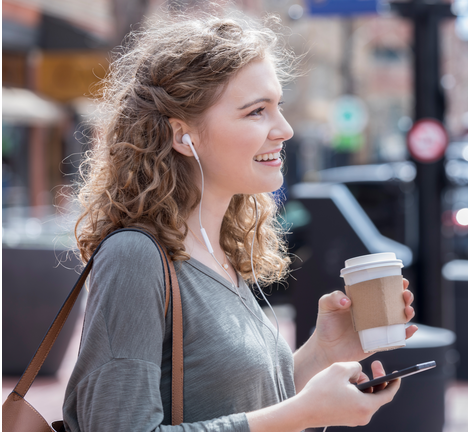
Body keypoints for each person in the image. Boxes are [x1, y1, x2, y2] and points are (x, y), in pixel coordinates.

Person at [63, 9, 418, 432]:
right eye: (256, 111)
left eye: (278, 107)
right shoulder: (135, 257)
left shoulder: (222, 252)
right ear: (183, 135)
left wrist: (325, 351)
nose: (284, 129)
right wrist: (306, 412)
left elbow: (240, 404)